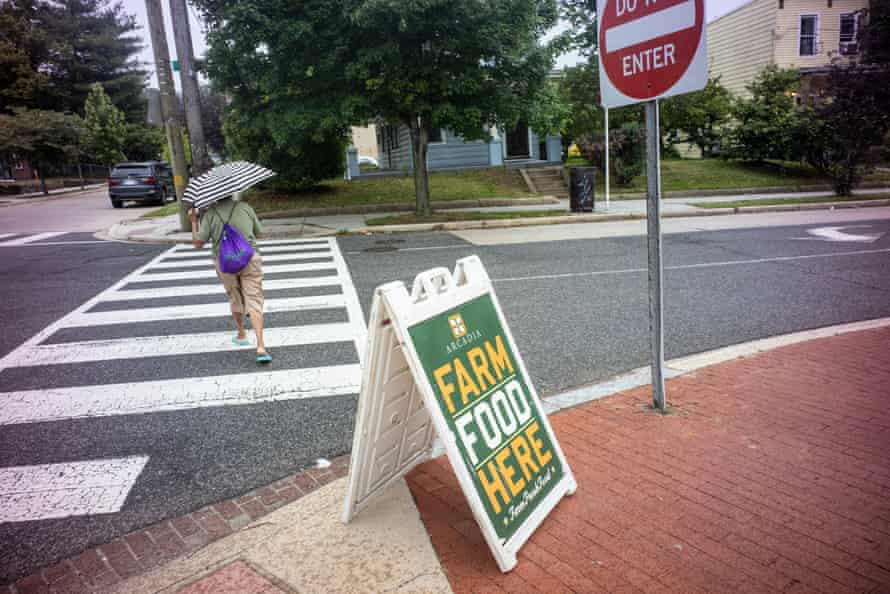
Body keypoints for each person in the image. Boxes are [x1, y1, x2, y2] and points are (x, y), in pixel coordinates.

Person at [189, 192, 271, 364]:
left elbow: (198, 243)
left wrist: (194, 221)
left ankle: (242, 334)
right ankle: (261, 346)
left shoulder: (210, 213)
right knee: (254, 299)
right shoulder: (245, 207)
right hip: (249, 258)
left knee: (234, 296)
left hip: (224, 262)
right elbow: (261, 234)